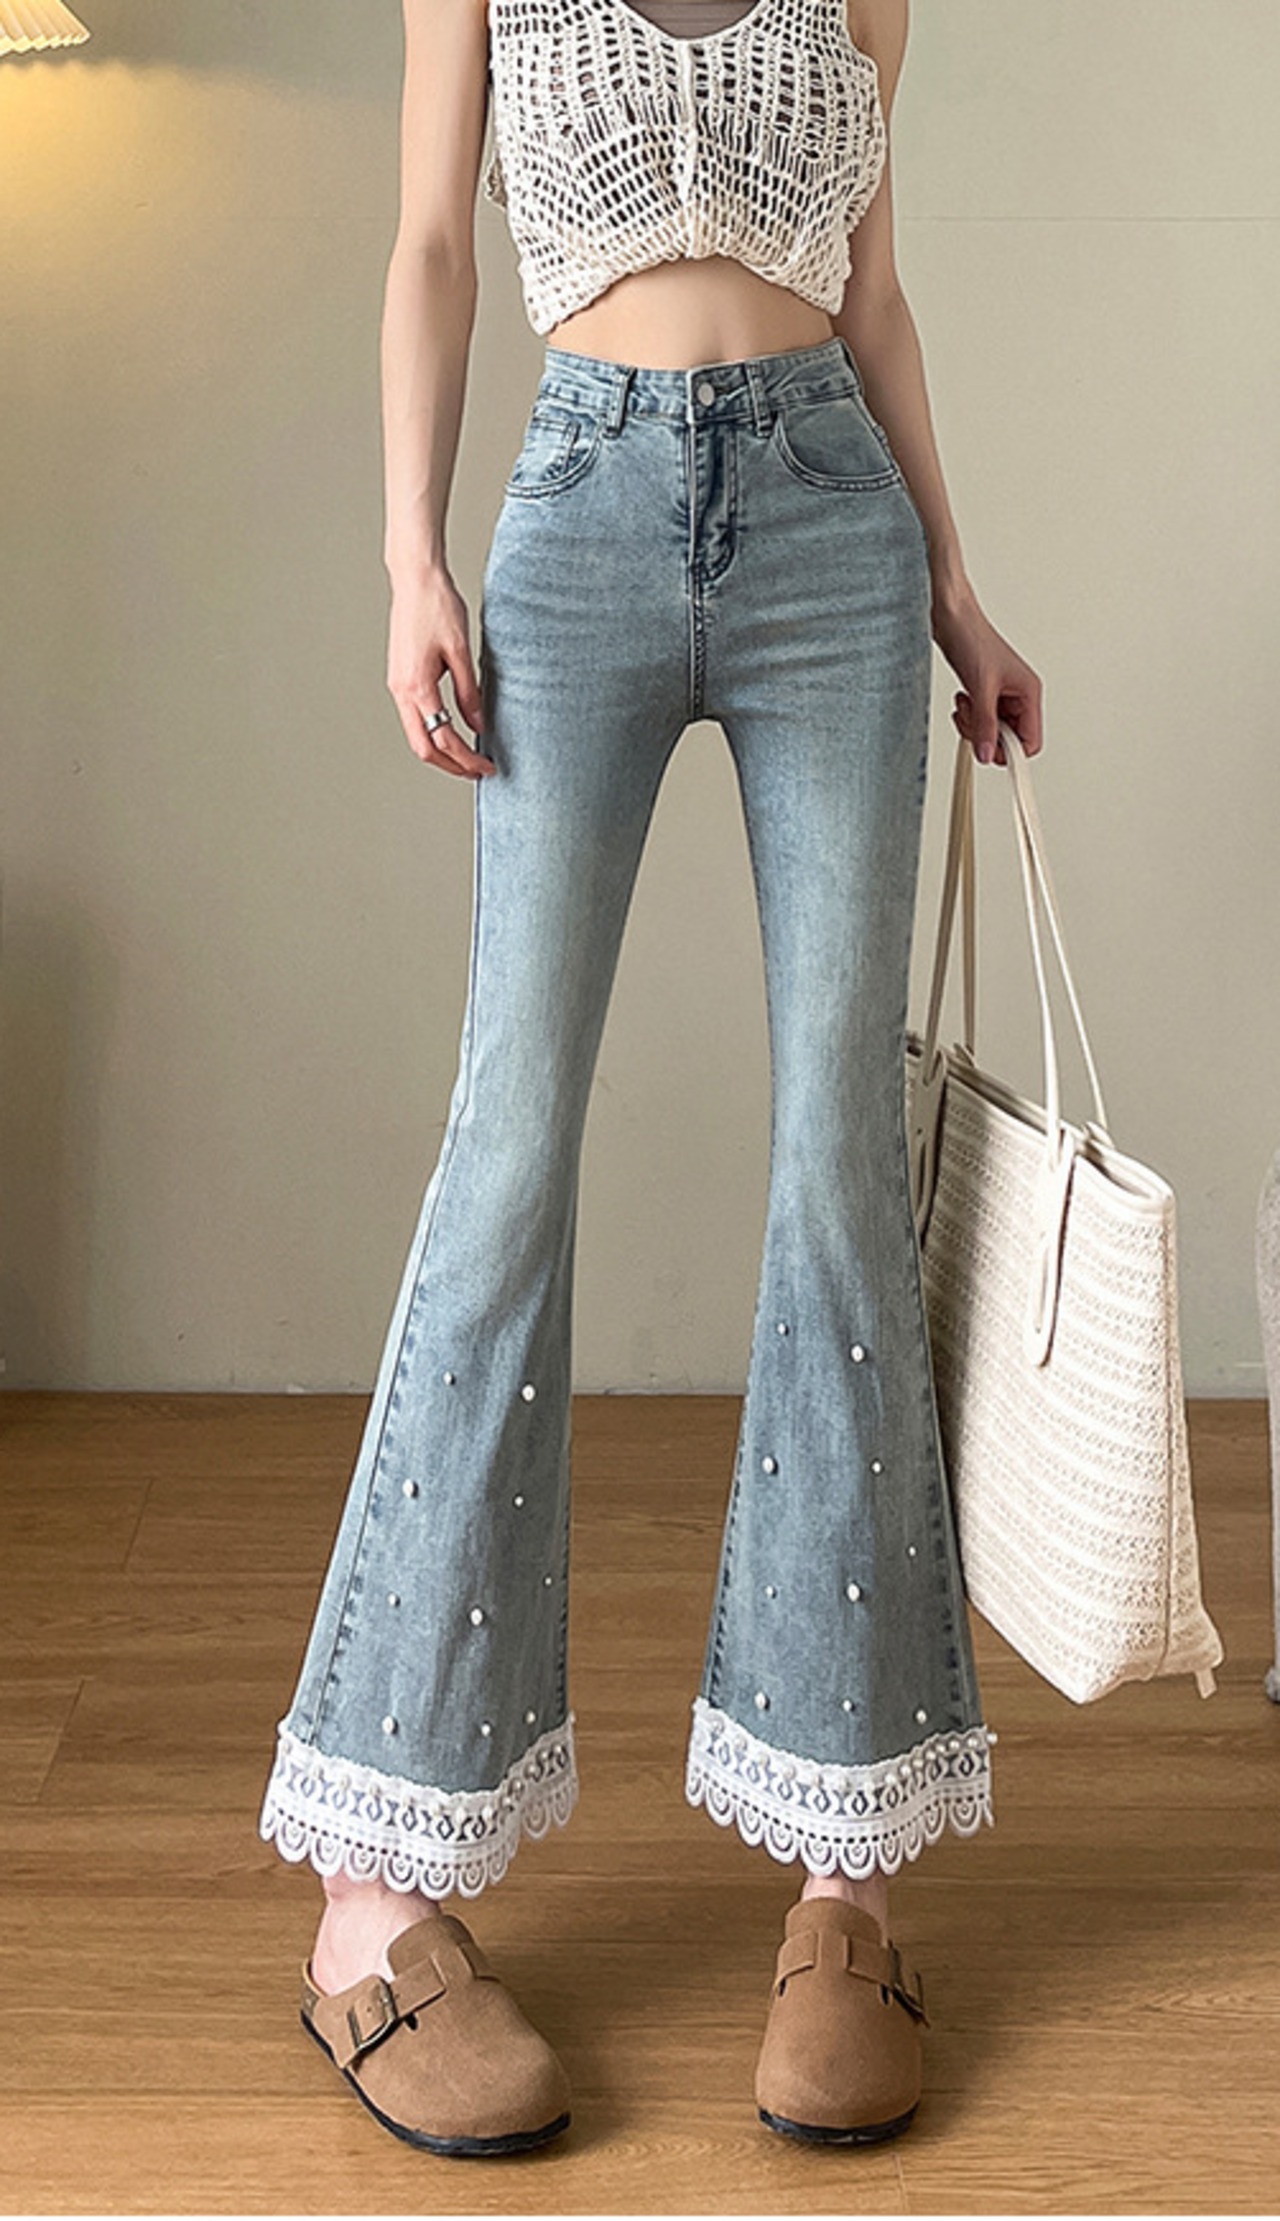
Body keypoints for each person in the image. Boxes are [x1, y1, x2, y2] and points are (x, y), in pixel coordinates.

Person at [258, 0, 1043, 2160]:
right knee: (506, 1158)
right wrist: (408, 556)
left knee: (837, 1169)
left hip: (831, 533)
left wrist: (958, 589)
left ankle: (845, 1877)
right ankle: (371, 1892)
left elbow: (874, 292)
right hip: (582, 508)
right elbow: (434, 240)